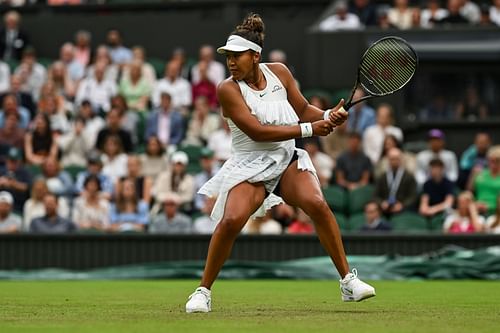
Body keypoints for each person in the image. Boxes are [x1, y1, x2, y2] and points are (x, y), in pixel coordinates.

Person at [185, 14, 375, 314]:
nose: (231, 62)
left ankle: (348, 282)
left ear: (255, 56)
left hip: (285, 159)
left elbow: (302, 109)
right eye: (228, 56)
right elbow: (257, 131)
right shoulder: (227, 89)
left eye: (237, 56)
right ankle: (203, 291)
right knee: (232, 221)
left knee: (317, 203)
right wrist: (311, 129)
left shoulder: (280, 73)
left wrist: (327, 115)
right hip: (249, 165)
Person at [373, 148, 417, 218]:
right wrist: (382, 203)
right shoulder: (382, 177)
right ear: (388, 160)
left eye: (396, 159)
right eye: (392, 159)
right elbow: (375, 195)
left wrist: (402, 205)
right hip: (385, 210)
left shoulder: (409, 177)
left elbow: (413, 197)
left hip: (403, 210)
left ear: (401, 160)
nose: (394, 161)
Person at [470, 146, 500, 214]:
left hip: (497, 213)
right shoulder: (481, 174)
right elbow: (470, 190)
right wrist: (473, 175)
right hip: (477, 210)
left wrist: (490, 206)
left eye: (497, 161)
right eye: (491, 161)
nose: (493, 164)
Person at [0, 147, 31, 213]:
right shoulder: (1, 171)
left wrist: (14, 184)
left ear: (19, 161)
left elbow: (28, 187)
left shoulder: (24, 172)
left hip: (18, 206)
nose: (12, 163)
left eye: (14, 161)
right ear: (6, 160)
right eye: (10, 160)